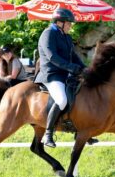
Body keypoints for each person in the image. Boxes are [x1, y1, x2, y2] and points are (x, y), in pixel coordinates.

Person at [35, 8, 90, 148]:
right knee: (61, 99)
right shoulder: (48, 34)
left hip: (64, 74)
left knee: (82, 93)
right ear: (60, 22)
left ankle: (80, 131)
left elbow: (73, 55)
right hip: (51, 74)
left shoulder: (66, 36)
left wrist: (84, 68)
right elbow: (52, 56)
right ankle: (48, 134)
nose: (71, 26)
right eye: (69, 23)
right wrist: (71, 67)